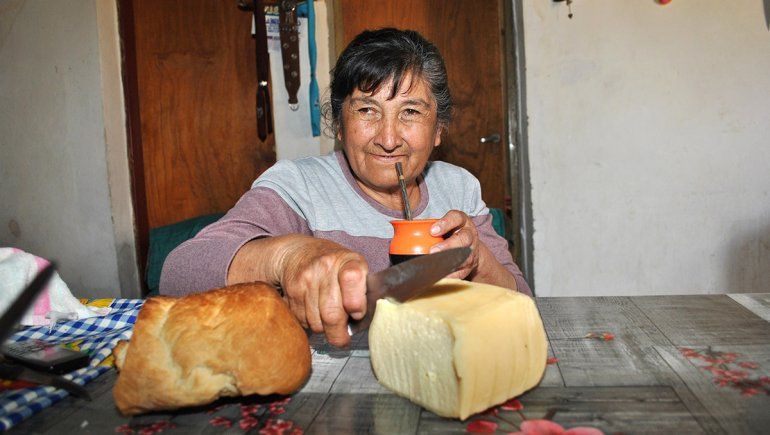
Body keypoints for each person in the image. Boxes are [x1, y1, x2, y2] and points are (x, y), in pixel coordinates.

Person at [160, 28, 532, 347]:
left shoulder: (458, 188)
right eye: (367, 110)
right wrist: (288, 257)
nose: (388, 139)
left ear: (438, 131)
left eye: (411, 112)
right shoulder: (299, 185)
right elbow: (178, 273)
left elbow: (522, 303)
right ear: (339, 125)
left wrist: (477, 260)